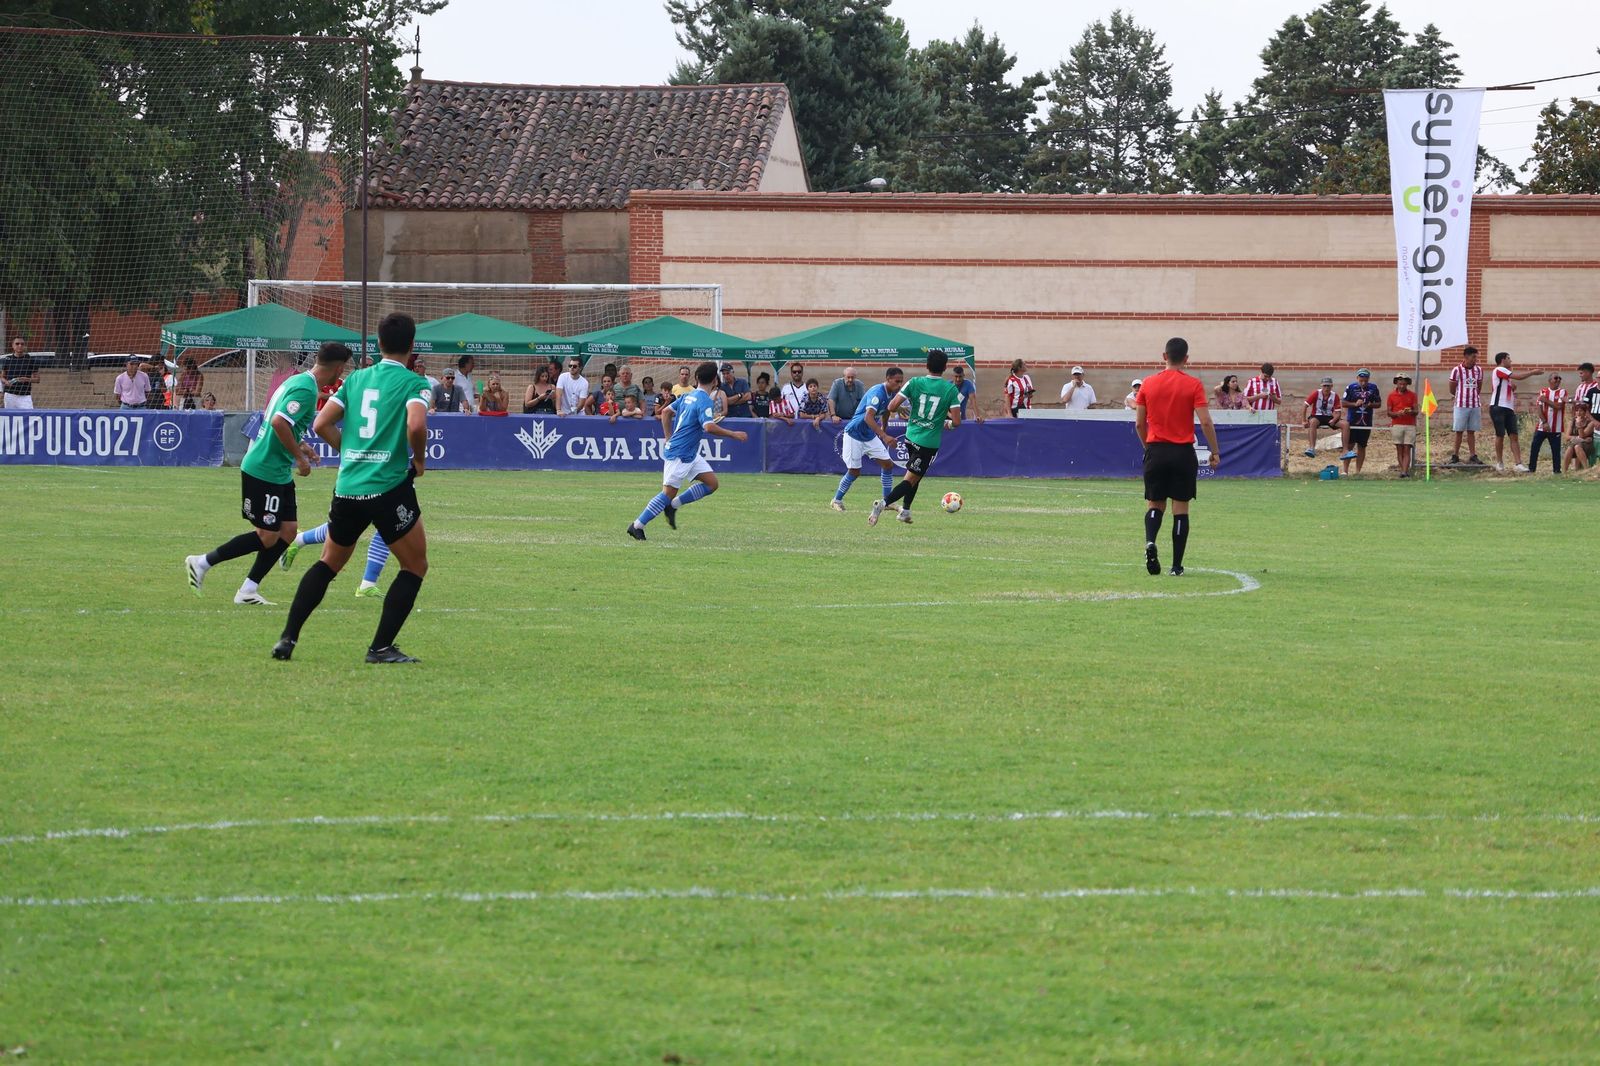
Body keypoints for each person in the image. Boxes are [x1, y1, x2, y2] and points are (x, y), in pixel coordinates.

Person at [272, 311, 432, 664]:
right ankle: (379, 648)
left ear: (378, 344)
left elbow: (320, 423)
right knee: (415, 565)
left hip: (347, 487)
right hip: (388, 487)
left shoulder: (356, 379)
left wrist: (349, 450)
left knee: (329, 562)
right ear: (412, 346)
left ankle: (288, 638)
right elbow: (417, 424)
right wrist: (418, 460)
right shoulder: (414, 383)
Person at [185, 342, 352, 606]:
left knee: (287, 531)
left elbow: (280, 420)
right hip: (265, 469)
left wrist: (302, 446)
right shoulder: (306, 390)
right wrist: (299, 458)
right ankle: (202, 562)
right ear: (339, 367)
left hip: (278, 469)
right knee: (267, 535)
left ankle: (248, 590)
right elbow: (277, 422)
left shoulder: (297, 381)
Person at [626, 360, 748, 541]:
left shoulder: (688, 395)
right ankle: (637, 526)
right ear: (715, 380)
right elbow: (708, 427)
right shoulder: (704, 400)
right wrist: (734, 434)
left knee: (711, 484)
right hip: (680, 453)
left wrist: (668, 438)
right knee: (667, 493)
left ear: (696, 377)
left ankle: (673, 506)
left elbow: (666, 412)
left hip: (688, 452)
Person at [1136, 337, 1220, 577]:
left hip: (1156, 449)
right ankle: (1176, 566)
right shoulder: (1193, 385)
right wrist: (1214, 451)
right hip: (1182, 452)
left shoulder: (1148, 384)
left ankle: (1151, 541)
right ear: (1186, 359)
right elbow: (1205, 421)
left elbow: (1139, 423)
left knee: (1155, 503)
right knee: (1180, 509)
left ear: (1164, 356)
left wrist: (1148, 448)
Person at [873, 352, 962, 526]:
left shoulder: (914, 382)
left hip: (911, 436)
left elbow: (891, 406)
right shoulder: (950, 389)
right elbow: (957, 421)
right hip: (928, 442)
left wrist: (903, 410)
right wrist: (946, 424)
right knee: (911, 479)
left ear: (927, 366)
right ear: (945, 368)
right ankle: (883, 504)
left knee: (916, 476)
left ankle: (905, 511)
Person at [831, 366, 904, 513]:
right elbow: (868, 417)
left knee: (888, 465)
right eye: (897, 381)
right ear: (888, 379)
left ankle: (887, 501)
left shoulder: (891, 393)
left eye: (901, 382)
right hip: (854, 434)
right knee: (854, 471)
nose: (899, 385)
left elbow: (886, 411)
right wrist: (884, 436)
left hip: (869, 434)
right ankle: (836, 500)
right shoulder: (878, 392)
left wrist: (884, 429)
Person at [1489, 351, 1537, 473]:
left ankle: (1518, 463)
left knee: (1514, 435)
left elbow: (1504, 387)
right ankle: (1499, 462)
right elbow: (1519, 377)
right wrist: (1532, 372)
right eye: (1509, 358)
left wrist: (1512, 387)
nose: (1511, 361)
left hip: (1509, 408)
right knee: (1500, 435)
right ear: (1502, 360)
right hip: (1498, 406)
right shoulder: (1499, 369)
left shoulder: (1506, 376)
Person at [1340, 368, 1381, 474]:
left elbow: (1379, 403)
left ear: (1368, 379)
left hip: (1366, 421)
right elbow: (1343, 403)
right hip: (1353, 421)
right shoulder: (1351, 387)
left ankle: (1358, 471)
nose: (1363, 383)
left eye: (1365, 381)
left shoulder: (1373, 388)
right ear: (1357, 378)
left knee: (1362, 446)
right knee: (1349, 445)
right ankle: (1345, 471)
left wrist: (1370, 405)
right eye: (1361, 380)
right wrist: (1354, 404)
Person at [1447, 346, 1483, 465]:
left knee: (1471, 431)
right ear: (1466, 357)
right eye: (1473, 357)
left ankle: (1472, 455)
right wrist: (1461, 395)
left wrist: (1473, 397)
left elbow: (1479, 387)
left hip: (1475, 405)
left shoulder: (1479, 370)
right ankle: (1455, 455)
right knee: (1459, 431)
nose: (1475, 359)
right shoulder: (1456, 370)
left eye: (1476, 357)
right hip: (1461, 405)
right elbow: (1452, 388)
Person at [1529, 372, 1567, 474]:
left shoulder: (1562, 392)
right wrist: (1544, 422)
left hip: (1556, 427)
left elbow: (1559, 406)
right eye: (1556, 378)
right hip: (1542, 426)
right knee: (1535, 447)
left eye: (1559, 378)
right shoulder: (1543, 391)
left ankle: (1556, 471)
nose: (1558, 380)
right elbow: (1539, 408)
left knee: (1555, 450)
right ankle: (1531, 469)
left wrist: (1546, 400)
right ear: (1550, 380)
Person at [1302, 377, 1344, 457]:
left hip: (1329, 416)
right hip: (1316, 416)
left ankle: (1345, 450)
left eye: (1328, 386)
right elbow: (1305, 405)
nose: (1326, 388)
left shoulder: (1335, 395)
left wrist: (1334, 419)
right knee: (1313, 422)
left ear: (1332, 386)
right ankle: (1311, 448)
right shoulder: (1316, 393)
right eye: (1324, 386)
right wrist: (1304, 420)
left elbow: (1338, 412)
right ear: (1321, 386)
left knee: (1345, 424)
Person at [1388, 374, 1418, 478]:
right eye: (1400, 384)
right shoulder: (1391, 395)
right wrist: (1397, 414)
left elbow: (1416, 411)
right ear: (1396, 383)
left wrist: (1410, 411)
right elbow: (1389, 412)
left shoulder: (1412, 395)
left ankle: (1404, 471)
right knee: (1399, 448)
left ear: (1407, 384)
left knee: (1407, 448)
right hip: (1397, 424)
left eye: (1404, 384)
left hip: (1410, 425)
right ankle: (1403, 471)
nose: (1402, 386)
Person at [1, 336, 41, 409]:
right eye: (17, 343)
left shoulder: (30, 360)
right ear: (13, 346)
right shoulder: (7, 359)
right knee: (10, 418)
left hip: (25, 396)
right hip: (10, 395)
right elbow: (2, 376)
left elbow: (38, 379)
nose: (20, 345)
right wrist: (6, 382)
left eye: (22, 344)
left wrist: (27, 379)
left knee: (30, 417)